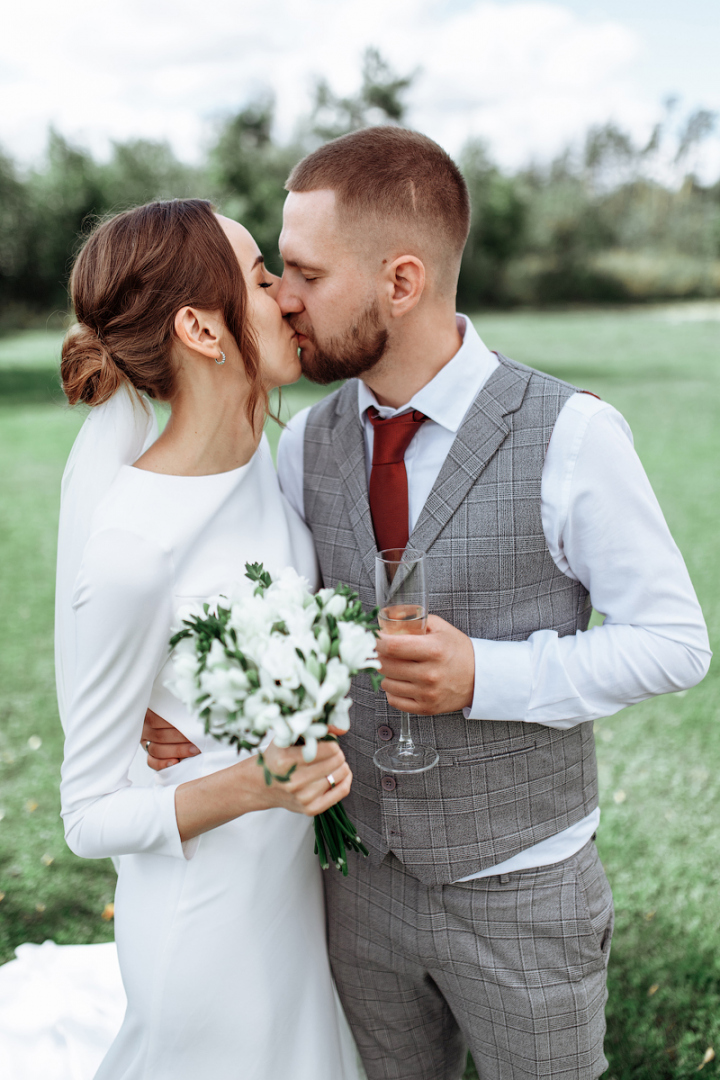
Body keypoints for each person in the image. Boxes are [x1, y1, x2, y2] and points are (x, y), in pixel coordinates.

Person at [145, 128, 712, 1080]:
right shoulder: (308, 445)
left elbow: (674, 643)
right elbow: (269, 619)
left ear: (400, 283)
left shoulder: (573, 434)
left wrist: (486, 674)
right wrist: (191, 718)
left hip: (523, 893)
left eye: (305, 273)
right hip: (355, 887)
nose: (281, 297)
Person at [56, 199, 360, 1080]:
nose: (287, 298)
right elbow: (86, 817)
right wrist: (254, 781)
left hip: (293, 898)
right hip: (207, 924)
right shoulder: (132, 548)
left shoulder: (265, 465)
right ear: (199, 327)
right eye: (263, 278)